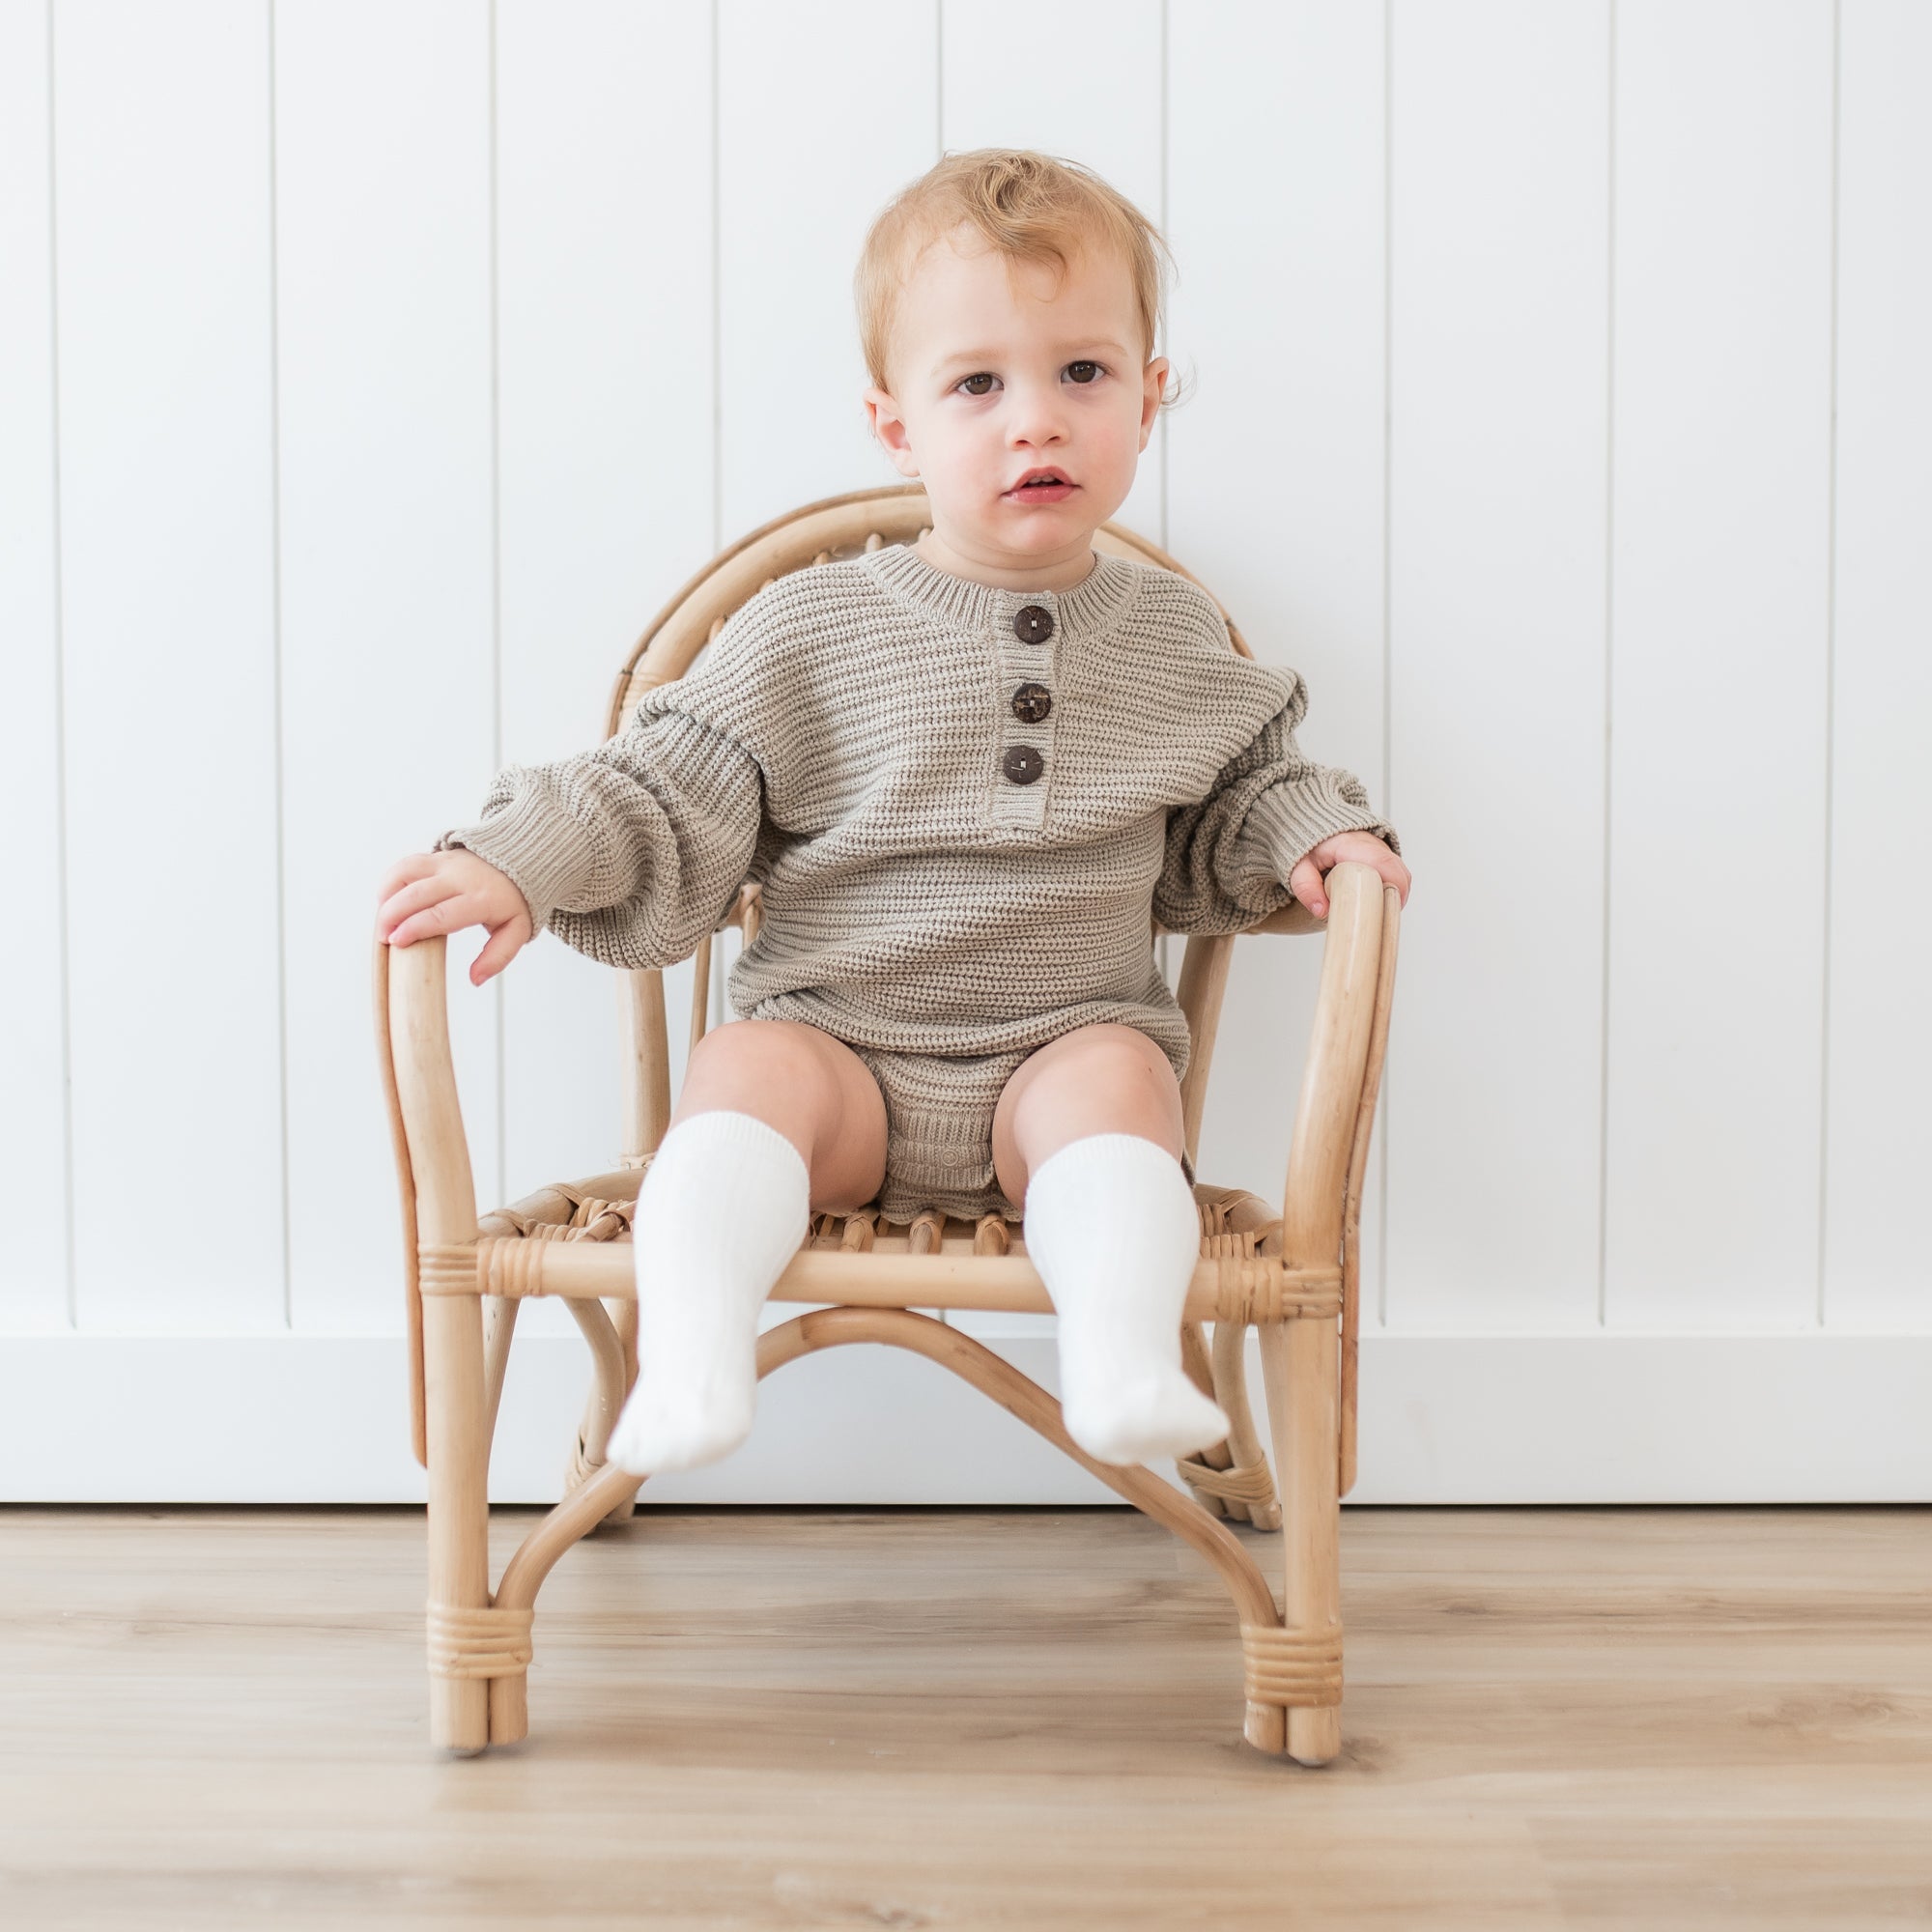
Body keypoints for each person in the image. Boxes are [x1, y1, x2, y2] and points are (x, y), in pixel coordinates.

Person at [375, 149, 1410, 1482]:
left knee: (1124, 1085)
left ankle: (1120, 1360)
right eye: (978, 384)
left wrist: (1311, 832)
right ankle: (688, 1356)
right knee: (740, 1072)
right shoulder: (811, 627)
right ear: (896, 425)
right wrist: (519, 858)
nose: (1034, 420)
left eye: (1082, 374)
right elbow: (659, 787)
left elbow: (1244, 789)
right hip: (844, 1062)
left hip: (1054, 1058)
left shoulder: (1169, 637)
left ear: (1148, 402)